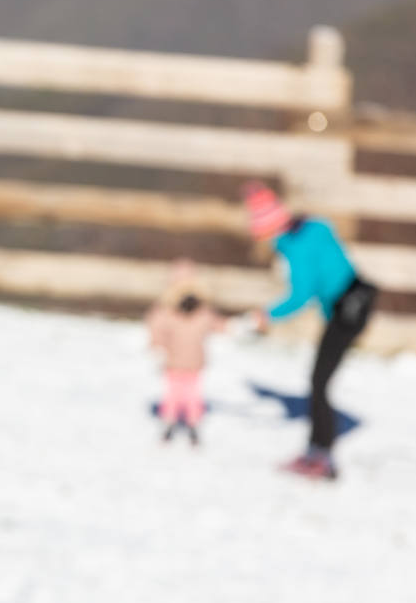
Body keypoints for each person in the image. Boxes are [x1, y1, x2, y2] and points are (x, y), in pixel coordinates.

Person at [242, 183, 378, 480]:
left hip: (347, 312)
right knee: (319, 380)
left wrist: (267, 315)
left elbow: (301, 294)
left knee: (318, 382)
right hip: (357, 302)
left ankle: (322, 457)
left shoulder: (294, 247)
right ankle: (317, 450)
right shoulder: (314, 226)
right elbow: (329, 262)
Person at [147, 262, 229, 446]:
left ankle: (173, 424)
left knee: (176, 394)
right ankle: (186, 424)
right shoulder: (203, 312)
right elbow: (219, 325)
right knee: (188, 395)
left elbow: (155, 329)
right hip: (189, 362)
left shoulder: (166, 311)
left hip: (176, 362)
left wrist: (156, 345)